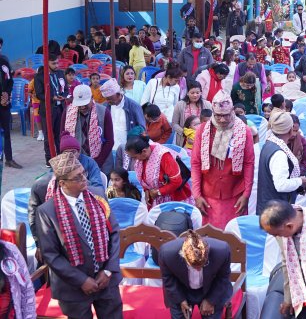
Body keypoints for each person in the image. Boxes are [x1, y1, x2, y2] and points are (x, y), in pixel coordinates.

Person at [36, 152, 122, 319]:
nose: (84, 179)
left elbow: (114, 233)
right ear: (62, 183)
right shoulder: (47, 211)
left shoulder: (98, 195)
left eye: (83, 173)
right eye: (77, 177)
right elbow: (51, 254)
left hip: (106, 280)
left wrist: (108, 271)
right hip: (72, 288)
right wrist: (81, 280)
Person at [191, 91, 255, 228]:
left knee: (233, 236)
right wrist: (197, 195)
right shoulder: (202, 130)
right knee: (210, 237)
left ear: (232, 111)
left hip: (235, 195)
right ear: (213, 113)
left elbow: (249, 163)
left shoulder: (244, 131)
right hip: (208, 195)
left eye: (226, 115)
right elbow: (196, 163)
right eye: (218, 116)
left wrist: (246, 194)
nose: (222, 120)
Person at [158, 231, 232, 319]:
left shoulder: (222, 251)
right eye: (193, 267)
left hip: (211, 288)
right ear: (183, 256)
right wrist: (181, 300)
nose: (198, 270)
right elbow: (168, 278)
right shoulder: (167, 253)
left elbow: (223, 278)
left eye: (203, 265)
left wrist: (211, 300)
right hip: (181, 288)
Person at [256, 112, 306, 213]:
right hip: (275, 211)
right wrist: (300, 181)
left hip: (268, 206)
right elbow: (281, 185)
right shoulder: (279, 153)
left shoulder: (269, 144)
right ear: (290, 130)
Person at [125, 133, 193, 208]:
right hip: (155, 197)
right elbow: (143, 177)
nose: (135, 160)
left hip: (173, 198)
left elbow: (176, 181)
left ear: (144, 151)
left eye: (135, 157)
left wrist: (158, 192)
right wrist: (146, 190)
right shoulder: (141, 159)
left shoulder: (163, 156)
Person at [60, 84, 114, 171]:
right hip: (76, 162)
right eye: (79, 104)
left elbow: (109, 141)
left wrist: (96, 164)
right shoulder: (67, 112)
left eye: (85, 103)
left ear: (92, 98)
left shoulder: (104, 112)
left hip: (101, 162)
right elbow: (63, 137)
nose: (82, 107)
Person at [35, 53, 68, 166]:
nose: (56, 65)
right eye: (53, 63)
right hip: (48, 110)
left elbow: (66, 89)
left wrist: (63, 96)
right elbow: (39, 94)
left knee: (60, 135)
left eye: (57, 63)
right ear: (46, 63)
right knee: (48, 136)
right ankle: (49, 160)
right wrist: (52, 98)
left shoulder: (60, 73)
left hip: (60, 108)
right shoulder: (39, 76)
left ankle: (60, 157)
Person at [100, 78, 146, 153]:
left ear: (119, 94)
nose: (107, 101)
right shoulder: (106, 106)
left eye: (109, 99)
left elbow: (141, 128)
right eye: (106, 99)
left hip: (128, 147)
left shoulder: (133, 106)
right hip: (110, 147)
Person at [0, 46, 20, 169]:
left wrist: (6, 94)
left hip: (4, 104)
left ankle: (9, 159)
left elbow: (10, 81)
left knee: (6, 132)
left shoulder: (4, 62)